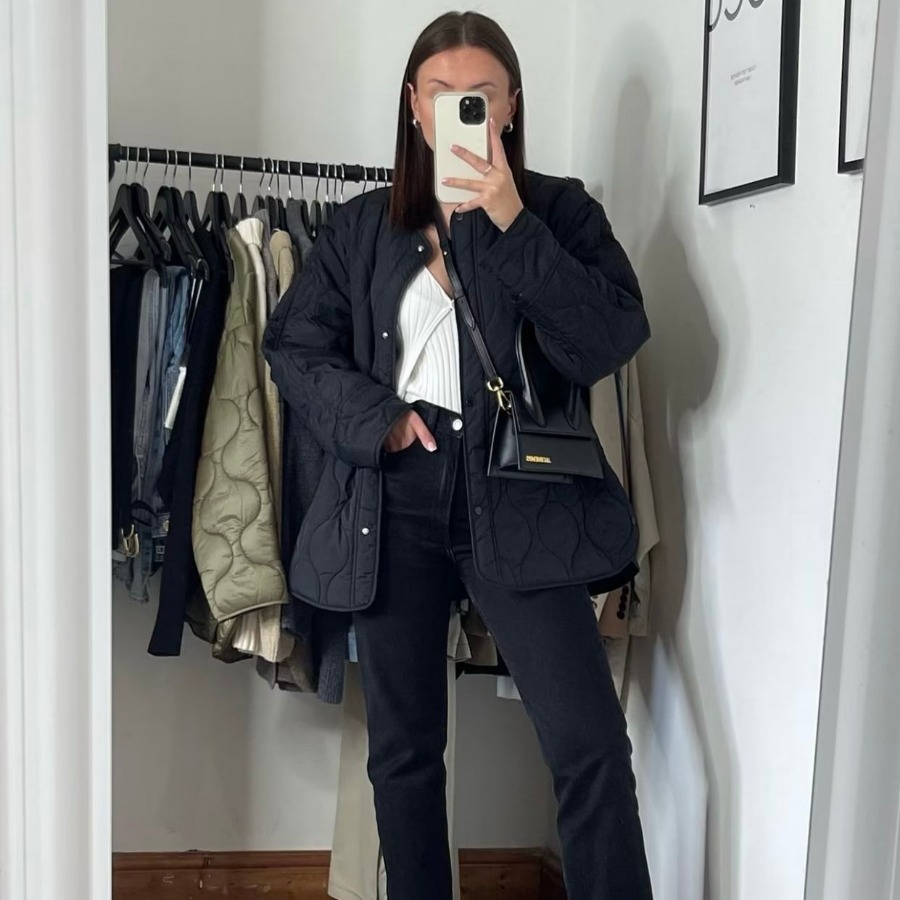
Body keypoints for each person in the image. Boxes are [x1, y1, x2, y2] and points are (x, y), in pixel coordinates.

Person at [264, 10, 653, 900]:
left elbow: (607, 338)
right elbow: (293, 346)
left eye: (481, 93)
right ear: (413, 104)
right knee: (403, 754)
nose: (460, 108)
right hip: (393, 495)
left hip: (521, 492)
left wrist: (510, 219)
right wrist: (383, 419)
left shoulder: (560, 212)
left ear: (510, 106)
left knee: (590, 744)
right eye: (442, 93)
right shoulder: (363, 227)